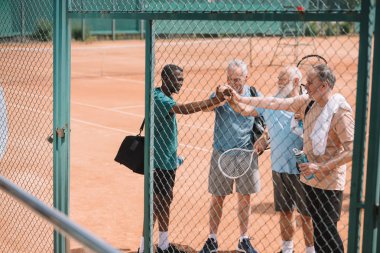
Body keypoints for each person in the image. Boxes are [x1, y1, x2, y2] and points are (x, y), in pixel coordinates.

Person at [225, 64, 354, 253]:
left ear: (324, 86)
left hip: (329, 183)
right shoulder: (306, 102)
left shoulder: (340, 112)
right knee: (319, 234)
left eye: (310, 82)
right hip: (311, 181)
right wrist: (240, 97)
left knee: (328, 235)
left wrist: (321, 168)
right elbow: (272, 103)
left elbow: (352, 150)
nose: (306, 85)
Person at [138, 64, 226, 253]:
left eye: (182, 79)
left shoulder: (162, 95)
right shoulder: (159, 98)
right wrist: (214, 101)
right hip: (159, 161)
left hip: (167, 160)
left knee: (165, 201)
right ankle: (144, 246)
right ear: (166, 79)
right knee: (155, 203)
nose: (181, 83)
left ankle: (162, 244)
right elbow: (185, 109)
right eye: (178, 79)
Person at [229, 66, 315, 253]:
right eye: (278, 79)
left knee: (306, 215)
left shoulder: (306, 104)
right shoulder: (271, 103)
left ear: (295, 82)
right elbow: (244, 110)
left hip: (302, 169)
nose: (279, 83)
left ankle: (310, 251)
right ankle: (287, 250)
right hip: (279, 169)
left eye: (283, 80)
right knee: (284, 212)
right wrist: (231, 99)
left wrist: (305, 118)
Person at [199, 59, 261, 253]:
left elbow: (260, 113)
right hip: (221, 152)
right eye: (231, 79)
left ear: (246, 78)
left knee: (245, 198)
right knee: (217, 197)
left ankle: (243, 239)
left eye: (238, 79)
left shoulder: (253, 94)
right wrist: (219, 98)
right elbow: (206, 107)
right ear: (227, 78)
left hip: (246, 153)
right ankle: (212, 239)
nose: (235, 83)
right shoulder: (221, 94)